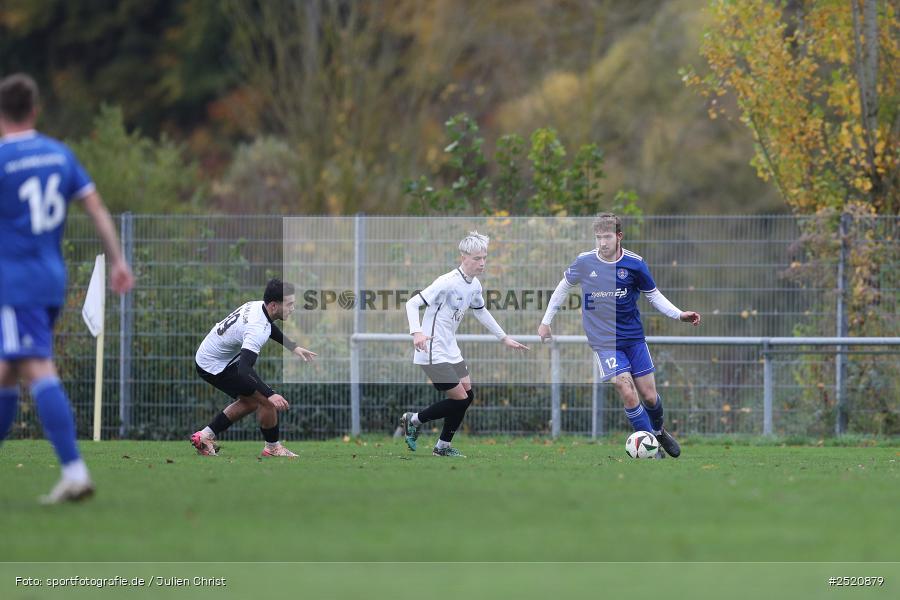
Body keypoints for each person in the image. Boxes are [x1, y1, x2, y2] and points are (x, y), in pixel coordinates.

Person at [0, 73, 135, 503]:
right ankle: (72, 470)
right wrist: (117, 260)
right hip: (52, 280)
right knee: (6, 373)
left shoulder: (2, 159)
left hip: (15, 284)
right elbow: (94, 206)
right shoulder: (60, 154)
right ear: (35, 110)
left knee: (37, 367)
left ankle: (75, 471)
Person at [538, 213, 701, 457]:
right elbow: (562, 289)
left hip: (634, 339)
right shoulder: (584, 262)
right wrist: (545, 322)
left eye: (607, 237)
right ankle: (652, 448)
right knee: (626, 390)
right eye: (598, 237)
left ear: (619, 236)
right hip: (605, 343)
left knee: (649, 396)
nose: (602, 242)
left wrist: (679, 314)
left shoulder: (635, 264)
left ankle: (658, 432)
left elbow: (653, 295)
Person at [401, 231, 529, 457]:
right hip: (431, 350)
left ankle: (442, 447)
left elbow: (481, 312)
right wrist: (416, 333)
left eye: (485, 257)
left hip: (450, 349)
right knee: (459, 398)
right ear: (464, 257)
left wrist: (504, 337)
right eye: (477, 258)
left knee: (467, 397)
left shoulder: (474, 285)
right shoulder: (446, 282)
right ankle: (414, 420)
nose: (482, 263)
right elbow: (412, 304)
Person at [191, 279, 316, 458]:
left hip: (212, 357)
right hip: (214, 365)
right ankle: (272, 449)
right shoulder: (256, 328)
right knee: (265, 401)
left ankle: (204, 436)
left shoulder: (259, 307)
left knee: (251, 402)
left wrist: (293, 347)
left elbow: (269, 328)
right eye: (289, 304)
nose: (293, 308)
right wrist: (270, 393)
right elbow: (244, 369)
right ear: (273, 305)